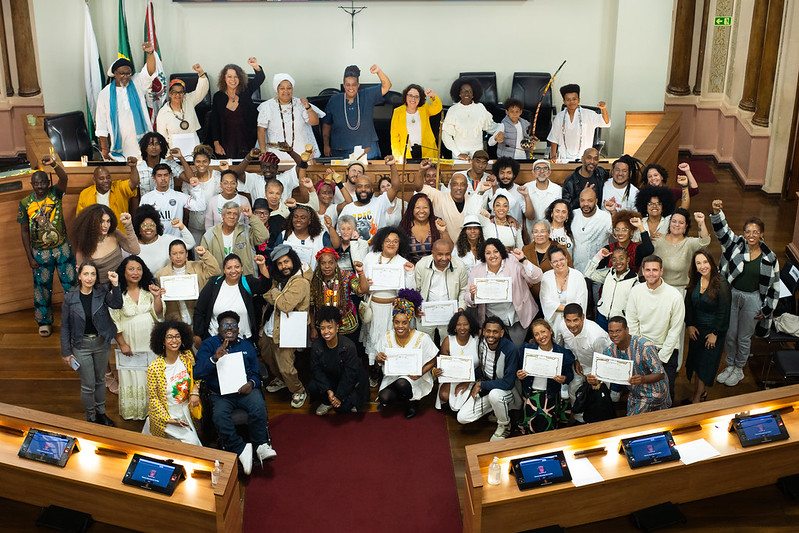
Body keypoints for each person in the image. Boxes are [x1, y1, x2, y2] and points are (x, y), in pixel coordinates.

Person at [194, 310, 276, 475]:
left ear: (238, 328)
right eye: (225, 325)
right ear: (219, 328)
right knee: (219, 416)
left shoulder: (246, 345)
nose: (229, 328)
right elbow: (197, 372)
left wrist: (251, 383)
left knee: (258, 405)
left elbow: (255, 371)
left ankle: (260, 445)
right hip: (220, 394)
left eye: (233, 325)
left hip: (244, 391)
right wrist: (214, 358)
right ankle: (240, 448)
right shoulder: (209, 345)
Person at [711, 199, 779, 387]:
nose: (751, 235)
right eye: (748, 231)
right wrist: (717, 212)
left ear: (762, 234)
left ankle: (739, 368)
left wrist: (766, 309)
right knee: (731, 334)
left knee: (743, 337)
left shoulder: (770, 258)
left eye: (755, 232)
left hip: (753, 299)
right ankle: (730, 365)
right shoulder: (736, 245)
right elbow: (722, 231)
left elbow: (774, 286)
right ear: (743, 233)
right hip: (732, 295)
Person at [18, 157, 75, 337]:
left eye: (43, 182)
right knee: (42, 288)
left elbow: (64, 179)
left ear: (48, 182)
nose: (40, 186)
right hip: (40, 253)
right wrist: (29, 257)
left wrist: (54, 164)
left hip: (62, 248)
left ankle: (75, 319)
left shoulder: (55, 193)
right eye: (36, 183)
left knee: (71, 284)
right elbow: (24, 231)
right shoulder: (25, 203)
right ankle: (44, 322)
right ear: (32, 184)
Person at [60, 263, 122, 426]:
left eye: (93, 274)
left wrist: (115, 285)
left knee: (100, 380)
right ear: (79, 276)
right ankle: (91, 417)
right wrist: (66, 352)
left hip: (101, 343)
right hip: (82, 346)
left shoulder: (101, 292)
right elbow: (65, 326)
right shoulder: (70, 298)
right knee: (88, 385)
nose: (89, 278)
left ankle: (101, 414)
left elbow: (117, 304)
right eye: (86, 274)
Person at [111, 256, 164, 420]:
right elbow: (114, 320)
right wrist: (122, 343)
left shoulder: (148, 290)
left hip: (149, 340)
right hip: (129, 340)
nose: (135, 273)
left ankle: (153, 410)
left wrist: (156, 297)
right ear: (123, 272)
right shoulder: (116, 293)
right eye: (131, 269)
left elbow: (159, 314)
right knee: (132, 373)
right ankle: (135, 411)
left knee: (150, 373)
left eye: (139, 269)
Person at [626, 255, 685, 403]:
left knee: (666, 391)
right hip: (642, 349)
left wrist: (661, 357)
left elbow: (675, 330)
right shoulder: (636, 292)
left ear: (661, 271)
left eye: (654, 270)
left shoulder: (674, 296)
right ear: (643, 272)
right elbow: (632, 323)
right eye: (647, 270)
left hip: (666, 350)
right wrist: (641, 351)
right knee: (641, 391)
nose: (651, 273)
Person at [361, 226, 416, 385]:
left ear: (400, 244)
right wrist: (367, 282)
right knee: (375, 339)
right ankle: (376, 371)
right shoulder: (370, 258)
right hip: (374, 308)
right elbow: (361, 282)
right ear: (381, 242)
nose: (391, 244)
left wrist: (410, 272)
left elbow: (410, 290)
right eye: (388, 241)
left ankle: (392, 372)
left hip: (393, 310)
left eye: (395, 241)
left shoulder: (403, 262)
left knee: (392, 340)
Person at [465, 238, 543, 348]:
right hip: (493, 320)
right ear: (484, 255)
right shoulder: (477, 270)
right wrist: (472, 295)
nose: (493, 256)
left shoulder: (513, 261)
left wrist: (523, 260)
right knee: (496, 350)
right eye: (488, 253)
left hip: (518, 317)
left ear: (501, 252)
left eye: (496, 251)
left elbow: (536, 278)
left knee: (516, 350)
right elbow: (467, 298)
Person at [453, 316, 521, 441]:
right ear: (483, 331)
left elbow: (509, 383)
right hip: (488, 387)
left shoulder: (510, 349)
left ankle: (505, 425)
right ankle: (496, 410)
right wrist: (469, 381)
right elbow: (481, 369)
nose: (491, 335)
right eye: (488, 331)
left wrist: (480, 385)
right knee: (462, 417)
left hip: (507, 391)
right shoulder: (481, 342)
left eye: (495, 332)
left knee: (495, 395)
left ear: (501, 333)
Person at [586, 316, 671, 415]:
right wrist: (594, 380)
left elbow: (660, 374)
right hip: (635, 394)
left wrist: (642, 379)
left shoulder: (645, 346)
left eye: (618, 331)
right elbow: (601, 376)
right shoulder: (610, 350)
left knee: (631, 423)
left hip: (654, 393)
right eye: (611, 331)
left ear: (627, 330)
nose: (614, 335)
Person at [261, 245, 312, 409]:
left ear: (294, 260)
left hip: (290, 330)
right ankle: (282, 380)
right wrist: (276, 294)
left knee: (286, 367)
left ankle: (298, 390)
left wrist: (275, 292)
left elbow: (284, 305)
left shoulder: (301, 282)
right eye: (280, 264)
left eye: (286, 262)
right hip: (271, 327)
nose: (284, 266)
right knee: (268, 356)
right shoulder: (279, 278)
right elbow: (265, 293)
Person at [375, 289, 438, 419]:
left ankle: (412, 402)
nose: (400, 326)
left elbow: (434, 359)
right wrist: (379, 359)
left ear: (410, 322)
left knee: (402, 384)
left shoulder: (422, 338)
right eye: (396, 322)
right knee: (384, 398)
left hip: (415, 378)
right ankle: (401, 396)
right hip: (393, 376)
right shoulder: (387, 337)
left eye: (404, 322)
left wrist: (420, 372)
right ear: (392, 322)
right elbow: (380, 361)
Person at [95, 43, 158, 161]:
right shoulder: (105, 93)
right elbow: (101, 123)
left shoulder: (137, 82)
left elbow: (150, 71)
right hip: (119, 144)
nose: (126, 76)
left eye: (128, 73)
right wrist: (104, 148)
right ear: (115, 74)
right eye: (121, 73)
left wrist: (150, 53)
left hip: (141, 140)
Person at [193, 253, 271, 345]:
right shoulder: (214, 283)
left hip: (243, 338)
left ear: (242, 268)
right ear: (224, 270)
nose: (233, 271)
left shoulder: (247, 282)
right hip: (215, 338)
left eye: (237, 267)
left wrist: (261, 265)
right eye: (229, 268)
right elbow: (199, 309)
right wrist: (198, 334)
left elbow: (265, 286)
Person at [685, 250, 731, 404]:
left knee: (705, 365)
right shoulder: (695, 280)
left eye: (705, 262)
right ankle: (701, 392)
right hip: (697, 329)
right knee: (697, 363)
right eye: (699, 263)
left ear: (711, 263)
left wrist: (715, 333)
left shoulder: (721, 284)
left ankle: (697, 398)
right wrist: (690, 325)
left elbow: (724, 312)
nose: (702, 266)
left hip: (713, 331)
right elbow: (688, 304)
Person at [145, 320, 201, 445]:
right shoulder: (154, 368)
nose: (174, 340)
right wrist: (168, 419)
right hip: (167, 415)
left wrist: (195, 391)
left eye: (177, 336)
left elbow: (196, 377)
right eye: (169, 337)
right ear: (162, 341)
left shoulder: (187, 356)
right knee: (193, 444)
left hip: (188, 411)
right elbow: (154, 399)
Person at [517, 319, 574, 434]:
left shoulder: (563, 353)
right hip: (530, 394)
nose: (541, 336)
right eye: (536, 334)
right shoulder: (527, 350)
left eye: (543, 332)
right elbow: (518, 370)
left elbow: (570, 375)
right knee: (530, 427)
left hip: (550, 395)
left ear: (550, 331)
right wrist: (520, 375)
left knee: (546, 428)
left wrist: (564, 379)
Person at [323, 64, 392, 159]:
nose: (351, 88)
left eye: (354, 85)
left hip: (367, 151)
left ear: (358, 85)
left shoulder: (367, 95)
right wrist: (326, 145)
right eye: (348, 85)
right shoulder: (334, 100)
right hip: (341, 151)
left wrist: (378, 71)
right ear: (344, 85)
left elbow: (387, 86)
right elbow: (327, 124)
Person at [309, 306, 369, 415]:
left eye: (329, 327)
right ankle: (327, 401)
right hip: (331, 379)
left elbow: (350, 376)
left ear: (337, 328)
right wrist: (329, 391)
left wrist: (339, 396)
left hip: (348, 381)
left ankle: (342, 399)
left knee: (341, 409)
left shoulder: (348, 346)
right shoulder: (316, 346)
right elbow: (316, 370)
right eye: (322, 328)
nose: (326, 331)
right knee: (313, 386)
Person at [309, 248, 368, 356]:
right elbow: (311, 307)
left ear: (336, 263)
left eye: (331, 263)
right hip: (324, 328)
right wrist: (313, 328)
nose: (327, 266)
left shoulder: (347, 276)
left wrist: (360, 272)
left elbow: (362, 290)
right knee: (328, 356)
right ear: (319, 264)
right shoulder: (315, 280)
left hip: (346, 326)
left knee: (347, 355)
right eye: (323, 263)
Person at [556, 303, 611, 414]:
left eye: (575, 320)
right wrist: (576, 359)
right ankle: (579, 420)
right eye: (568, 320)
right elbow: (570, 345)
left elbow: (604, 359)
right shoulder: (562, 326)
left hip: (598, 366)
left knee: (597, 398)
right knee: (574, 390)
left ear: (583, 317)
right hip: (579, 363)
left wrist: (597, 378)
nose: (572, 325)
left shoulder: (596, 337)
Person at [257, 73, 323, 158]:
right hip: (276, 154)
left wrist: (308, 108)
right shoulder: (267, 106)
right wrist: (263, 152)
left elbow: (315, 122)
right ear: (276, 90)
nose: (286, 91)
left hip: (302, 153)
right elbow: (261, 130)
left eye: (289, 88)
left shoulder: (301, 103)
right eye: (282, 88)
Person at [414, 239, 468, 343]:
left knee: (448, 344)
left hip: (449, 314)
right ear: (432, 253)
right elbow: (416, 290)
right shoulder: (422, 265)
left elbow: (463, 290)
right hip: (426, 313)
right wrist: (416, 307)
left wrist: (461, 308)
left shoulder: (459, 266)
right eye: (440, 254)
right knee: (424, 345)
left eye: (447, 254)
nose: (444, 258)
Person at [210, 58, 265, 158]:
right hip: (226, 141)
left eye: (236, 77)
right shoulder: (218, 96)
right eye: (229, 76)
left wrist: (255, 66)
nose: (233, 80)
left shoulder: (246, 91)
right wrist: (216, 144)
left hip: (247, 139)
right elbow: (215, 121)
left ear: (240, 78)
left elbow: (260, 78)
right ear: (224, 79)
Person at [338, 155, 400, 241]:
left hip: (376, 252)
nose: (363, 189)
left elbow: (395, 187)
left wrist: (392, 165)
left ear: (372, 189)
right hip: (355, 252)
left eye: (367, 186)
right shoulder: (348, 209)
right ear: (355, 189)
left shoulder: (380, 202)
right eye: (359, 186)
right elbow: (340, 235)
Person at [72, 205, 140, 284]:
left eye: (108, 221)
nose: (105, 225)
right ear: (92, 222)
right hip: (98, 289)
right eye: (101, 221)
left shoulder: (115, 233)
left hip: (120, 283)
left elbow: (135, 250)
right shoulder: (84, 243)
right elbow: (82, 275)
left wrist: (128, 226)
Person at [156, 240, 220, 324]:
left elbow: (216, 271)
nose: (178, 256)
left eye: (181, 253)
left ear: (186, 254)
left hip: (196, 316)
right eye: (174, 254)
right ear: (170, 256)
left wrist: (204, 254)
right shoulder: (161, 274)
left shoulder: (197, 266)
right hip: (175, 319)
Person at [407, 159, 471, 242]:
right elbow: (418, 187)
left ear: (466, 187)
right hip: (442, 244)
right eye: (455, 184)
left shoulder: (470, 199)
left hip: (465, 246)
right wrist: (421, 170)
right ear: (450, 185)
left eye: (462, 185)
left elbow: (483, 214)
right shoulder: (438, 195)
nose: (459, 187)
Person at [200, 202, 268, 277]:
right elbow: (203, 261)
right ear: (222, 215)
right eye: (228, 213)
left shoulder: (246, 231)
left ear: (238, 217)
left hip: (245, 279)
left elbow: (263, 236)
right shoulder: (210, 234)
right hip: (219, 280)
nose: (232, 216)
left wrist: (251, 216)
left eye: (235, 214)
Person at [441, 78, 503, 160]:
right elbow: (446, 135)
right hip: (459, 152)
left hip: (477, 151)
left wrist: (503, 128)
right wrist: (458, 153)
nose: (466, 93)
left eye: (470, 91)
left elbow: (490, 127)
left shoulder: (480, 108)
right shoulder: (453, 110)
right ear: (459, 93)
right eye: (463, 91)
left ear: (473, 94)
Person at [140, 163, 206, 238]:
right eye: (159, 175)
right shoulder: (146, 198)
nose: (163, 178)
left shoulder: (179, 196)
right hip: (154, 242)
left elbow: (201, 206)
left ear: (170, 176)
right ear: (154, 177)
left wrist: (197, 187)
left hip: (176, 243)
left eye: (166, 175)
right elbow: (141, 222)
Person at [547, 84, 610, 162]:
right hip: (563, 160)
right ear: (564, 101)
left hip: (584, 161)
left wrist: (604, 109)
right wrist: (553, 156)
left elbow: (606, 122)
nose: (571, 102)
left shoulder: (588, 114)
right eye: (568, 99)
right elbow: (554, 139)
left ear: (578, 100)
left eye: (574, 99)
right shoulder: (559, 117)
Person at [653, 209, 711, 293]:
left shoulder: (689, 243)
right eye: (674, 221)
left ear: (686, 226)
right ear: (669, 223)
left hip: (681, 290)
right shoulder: (657, 239)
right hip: (659, 288)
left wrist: (700, 222)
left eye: (681, 223)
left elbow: (704, 242)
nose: (676, 225)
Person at [75, 159, 140, 231]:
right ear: (94, 181)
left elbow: (134, 183)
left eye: (108, 177)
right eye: (101, 178)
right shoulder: (85, 194)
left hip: (118, 235)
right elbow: (81, 220)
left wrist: (133, 167)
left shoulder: (119, 187)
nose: (106, 181)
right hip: (95, 235)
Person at [156, 63, 209, 148]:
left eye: (181, 92)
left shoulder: (189, 100)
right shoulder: (163, 113)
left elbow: (201, 91)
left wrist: (201, 73)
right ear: (169, 94)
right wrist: (168, 154)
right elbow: (162, 138)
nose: (178, 95)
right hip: (174, 150)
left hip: (193, 145)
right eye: (174, 92)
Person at [435, 311, 480, 411]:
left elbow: (482, 366)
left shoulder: (477, 340)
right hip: (452, 377)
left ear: (471, 325)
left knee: (462, 403)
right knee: (444, 395)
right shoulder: (448, 340)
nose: (462, 328)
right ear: (454, 327)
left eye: (465, 324)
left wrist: (469, 381)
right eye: (459, 324)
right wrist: (438, 372)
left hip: (472, 378)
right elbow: (443, 365)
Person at [585, 247, 638, 331]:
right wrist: (599, 256)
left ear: (627, 260)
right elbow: (588, 273)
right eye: (614, 259)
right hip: (602, 317)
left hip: (620, 321)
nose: (618, 262)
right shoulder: (607, 273)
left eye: (621, 258)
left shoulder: (634, 281)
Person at [133, 204, 195, 274]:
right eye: (144, 225)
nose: (148, 228)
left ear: (157, 227)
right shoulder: (133, 246)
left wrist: (181, 227)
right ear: (138, 228)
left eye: (152, 225)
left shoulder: (167, 239)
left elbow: (190, 243)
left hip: (167, 281)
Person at [540, 247, 588, 335]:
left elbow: (581, 303)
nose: (559, 263)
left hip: (574, 323)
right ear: (551, 263)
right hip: (553, 322)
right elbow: (546, 302)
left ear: (566, 259)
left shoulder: (578, 276)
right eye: (555, 261)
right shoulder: (546, 277)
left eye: (561, 259)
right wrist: (569, 308)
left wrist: (561, 309)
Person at [275, 203, 338, 270]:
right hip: (290, 279)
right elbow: (276, 258)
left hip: (314, 278)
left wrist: (330, 227)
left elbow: (336, 246)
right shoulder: (284, 235)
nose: (298, 220)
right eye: (295, 217)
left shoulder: (320, 236)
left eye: (303, 217)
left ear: (309, 221)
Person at [390, 84, 442, 161]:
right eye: (410, 95)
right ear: (405, 96)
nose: (413, 99)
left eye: (416, 96)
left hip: (427, 150)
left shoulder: (424, 108)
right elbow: (394, 137)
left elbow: (437, 108)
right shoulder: (397, 112)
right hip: (406, 152)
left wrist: (433, 96)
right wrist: (398, 156)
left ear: (420, 98)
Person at [466, 183, 524, 251]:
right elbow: (472, 212)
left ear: (508, 208)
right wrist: (481, 191)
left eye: (505, 206)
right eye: (498, 205)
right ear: (493, 208)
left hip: (510, 260)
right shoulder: (486, 223)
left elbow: (520, 247)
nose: (501, 208)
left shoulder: (514, 225)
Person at [184, 145, 222, 243]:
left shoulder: (216, 176)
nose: (201, 164)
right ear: (194, 162)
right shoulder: (189, 180)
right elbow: (186, 206)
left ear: (209, 162)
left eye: (205, 161)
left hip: (214, 224)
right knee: (197, 254)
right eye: (198, 161)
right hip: (194, 225)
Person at [571, 187, 612, 275]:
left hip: (597, 270)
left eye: (590, 200)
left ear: (596, 201)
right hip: (576, 270)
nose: (586, 204)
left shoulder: (605, 217)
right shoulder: (573, 214)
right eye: (582, 200)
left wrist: (614, 212)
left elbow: (617, 233)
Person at [399, 193, 451, 263]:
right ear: (412, 209)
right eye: (417, 207)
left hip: (434, 267)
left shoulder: (437, 223)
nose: (421, 211)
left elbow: (450, 248)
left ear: (430, 209)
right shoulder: (405, 225)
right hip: (411, 268)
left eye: (425, 207)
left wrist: (442, 231)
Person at [481, 157, 533, 226]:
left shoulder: (520, 190)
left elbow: (530, 216)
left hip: (514, 231)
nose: (505, 176)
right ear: (498, 175)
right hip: (494, 230)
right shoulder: (492, 187)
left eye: (509, 173)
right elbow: (488, 210)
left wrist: (526, 196)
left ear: (514, 174)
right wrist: (494, 187)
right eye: (502, 173)